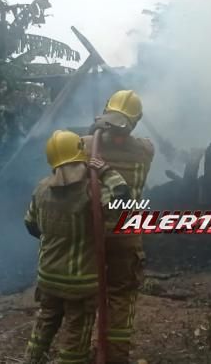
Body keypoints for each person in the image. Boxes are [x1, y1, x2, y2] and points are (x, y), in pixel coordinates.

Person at [25, 130, 129, 364]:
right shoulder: (92, 191)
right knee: (76, 333)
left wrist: (56, 240)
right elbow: (124, 202)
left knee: (44, 323)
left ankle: (31, 360)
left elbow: (30, 225)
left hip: (48, 277)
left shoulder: (41, 189)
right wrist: (107, 171)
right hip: (81, 283)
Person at [83, 90, 155, 364]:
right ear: (136, 121)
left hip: (93, 234)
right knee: (121, 297)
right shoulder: (146, 150)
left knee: (88, 295)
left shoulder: (88, 145)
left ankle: (86, 351)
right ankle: (117, 356)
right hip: (126, 235)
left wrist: (97, 128)